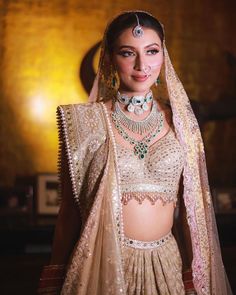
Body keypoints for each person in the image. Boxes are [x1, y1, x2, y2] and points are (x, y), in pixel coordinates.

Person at [38, 11, 232, 295]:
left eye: (152, 51)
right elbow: (68, 211)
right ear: (109, 59)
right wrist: (53, 278)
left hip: (167, 266)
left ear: (163, 56)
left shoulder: (181, 122)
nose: (143, 65)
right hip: (102, 265)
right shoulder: (83, 122)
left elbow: (189, 211)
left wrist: (194, 276)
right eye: (128, 53)